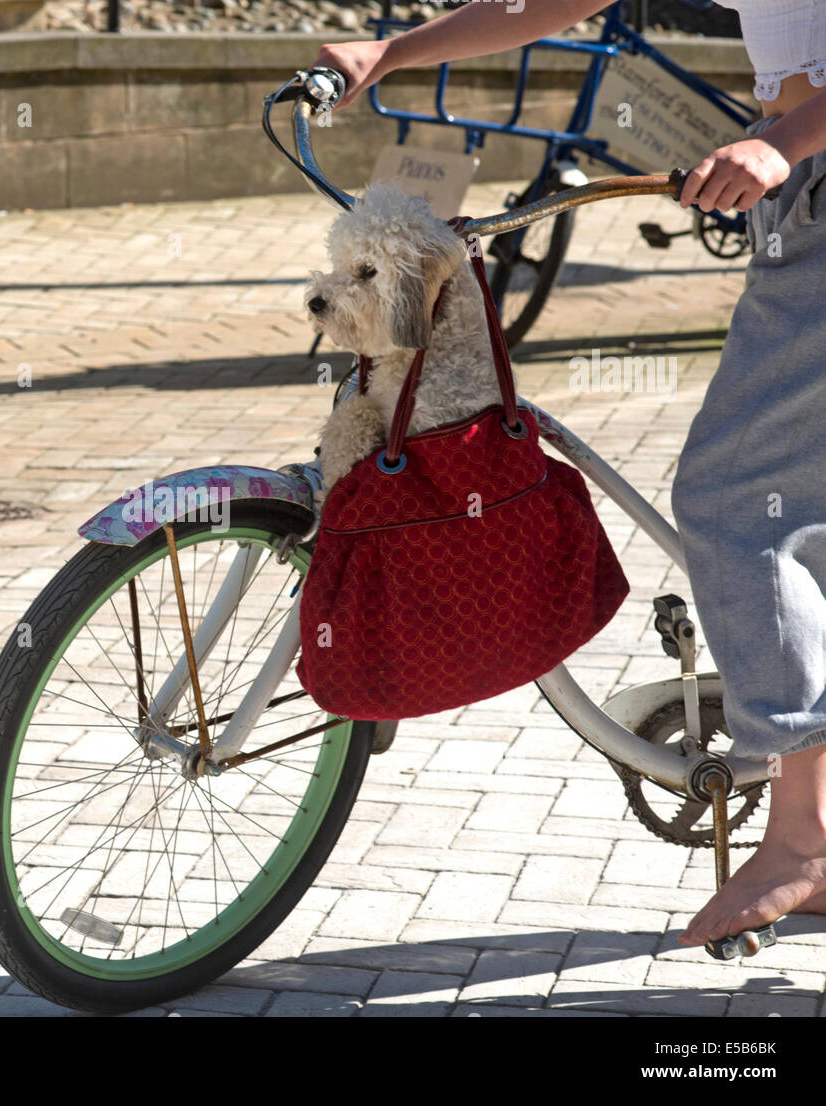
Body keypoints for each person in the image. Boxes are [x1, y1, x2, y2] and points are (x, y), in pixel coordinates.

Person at [311, 0, 826, 949]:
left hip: (806, 173)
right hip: (798, 184)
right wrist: (393, 51)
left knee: (737, 499)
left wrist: (785, 139)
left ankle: (803, 841)